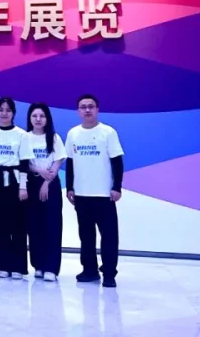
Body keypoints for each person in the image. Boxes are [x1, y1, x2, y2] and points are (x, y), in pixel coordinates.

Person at [65, 94, 125, 288]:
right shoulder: (73, 133)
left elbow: (117, 162)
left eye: (91, 106)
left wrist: (116, 187)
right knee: (86, 236)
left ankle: (109, 273)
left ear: (97, 109)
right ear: (78, 111)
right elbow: (70, 163)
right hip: (82, 195)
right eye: (83, 107)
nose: (87, 110)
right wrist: (70, 187)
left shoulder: (108, 132)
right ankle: (89, 270)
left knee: (109, 236)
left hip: (104, 195)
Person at [0, 97, 33, 280]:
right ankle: (3, 266)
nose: (4, 113)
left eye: (8, 110)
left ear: (13, 113)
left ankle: (18, 267)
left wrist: (23, 187)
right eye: (1, 109)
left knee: (18, 226)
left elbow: (24, 163)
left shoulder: (22, 135)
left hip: (15, 184)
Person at [26, 102, 67, 282]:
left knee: (52, 225)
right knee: (34, 225)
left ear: (47, 118)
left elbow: (58, 161)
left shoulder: (54, 138)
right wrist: (38, 170)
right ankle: (39, 265)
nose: (38, 119)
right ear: (29, 118)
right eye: (34, 116)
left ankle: (51, 267)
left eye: (42, 116)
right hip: (31, 183)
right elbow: (24, 162)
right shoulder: (25, 138)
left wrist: (46, 182)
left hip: (50, 184)